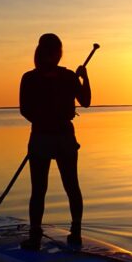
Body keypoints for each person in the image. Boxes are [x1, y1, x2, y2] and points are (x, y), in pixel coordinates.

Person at [19, 33, 92, 250]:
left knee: (41, 189)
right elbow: (86, 101)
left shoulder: (36, 77)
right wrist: (84, 78)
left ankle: (36, 237)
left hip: (46, 137)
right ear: (57, 53)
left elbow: (25, 111)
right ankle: (75, 233)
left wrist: (83, 78)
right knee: (69, 187)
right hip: (56, 137)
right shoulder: (62, 77)